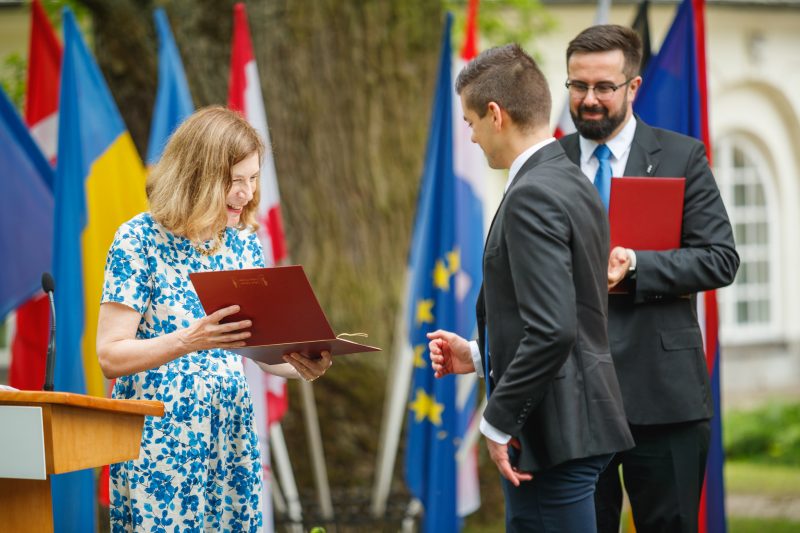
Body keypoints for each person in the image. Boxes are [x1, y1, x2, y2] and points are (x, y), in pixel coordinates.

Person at [427, 44, 634, 532]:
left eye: (471, 122)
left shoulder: (533, 193)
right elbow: (565, 309)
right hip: (579, 421)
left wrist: (497, 420)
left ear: (495, 114)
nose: (472, 136)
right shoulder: (570, 178)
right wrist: (479, 354)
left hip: (551, 433)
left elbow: (553, 329)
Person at [96, 106, 332, 532]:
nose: (247, 193)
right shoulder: (138, 240)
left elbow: (260, 348)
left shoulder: (243, 244)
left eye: (253, 178)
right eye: (235, 180)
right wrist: (190, 340)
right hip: (161, 443)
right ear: (197, 175)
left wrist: (302, 363)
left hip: (230, 436)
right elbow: (110, 356)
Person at [558, 25, 740, 533]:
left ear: (633, 87)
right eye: (578, 85)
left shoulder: (682, 157)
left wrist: (638, 265)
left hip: (665, 398)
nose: (588, 99)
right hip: (573, 398)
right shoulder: (548, 164)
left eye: (603, 87)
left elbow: (719, 259)